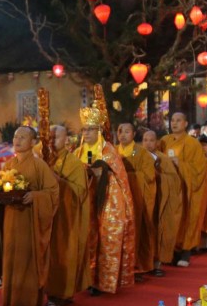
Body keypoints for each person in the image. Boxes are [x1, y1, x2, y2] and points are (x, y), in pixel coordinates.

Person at [0, 127, 59, 306]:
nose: (17, 139)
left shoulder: (39, 165)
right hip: (11, 222)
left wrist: (35, 196)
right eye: (16, 136)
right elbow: (0, 188)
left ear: (33, 142)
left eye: (23, 137)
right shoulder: (9, 164)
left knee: (27, 264)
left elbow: (52, 192)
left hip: (30, 223)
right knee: (14, 263)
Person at [74, 103, 135, 294]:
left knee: (106, 239)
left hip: (107, 201)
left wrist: (101, 174)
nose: (87, 133)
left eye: (91, 129)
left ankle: (104, 281)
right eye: (84, 129)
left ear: (99, 130)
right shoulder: (78, 152)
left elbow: (119, 177)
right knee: (87, 240)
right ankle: (88, 280)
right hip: (86, 203)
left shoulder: (108, 151)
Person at [46, 125, 89, 306]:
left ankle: (61, 293)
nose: (53, 141)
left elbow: (80, 193)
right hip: (43, 215)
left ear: (67, 140)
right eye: (50, 137)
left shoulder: (74, 163)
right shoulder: (42, 159)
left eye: (57, 137)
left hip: (64, 217)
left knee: (62, 253)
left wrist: (59, 181)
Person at [160, 112, 207, 266]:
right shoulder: (164, 141)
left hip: (186, 188)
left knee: (187, 219)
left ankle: (185, 252)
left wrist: (180, 164)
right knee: (170, 220)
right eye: (172, 120)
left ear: (186, 123)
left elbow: (200, 169)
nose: (174, 123)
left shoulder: (193, 144)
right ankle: (171, 251)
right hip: (169, 188)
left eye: (178, 120)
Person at [116, 122, 157, 279]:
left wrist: (128, 177)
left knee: (135, 232)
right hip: (116, 201)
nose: (123, 134)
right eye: (120, 131)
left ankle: (134, 265)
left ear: (133, 134)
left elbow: (149, 177)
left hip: (136, 199)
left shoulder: (140, 153)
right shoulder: (113, 151)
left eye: (127, 131)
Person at [143, 128, 181, 272]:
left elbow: (174, 180)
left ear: (157, 143)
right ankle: (141, 264)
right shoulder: (136, 154)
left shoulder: (163, 159)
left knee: (158, 230)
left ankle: (157, 261)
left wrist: (159, 177)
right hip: (142, 200)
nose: (148, 144)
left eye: (151, 140)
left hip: (159, 201)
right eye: (145, 140)